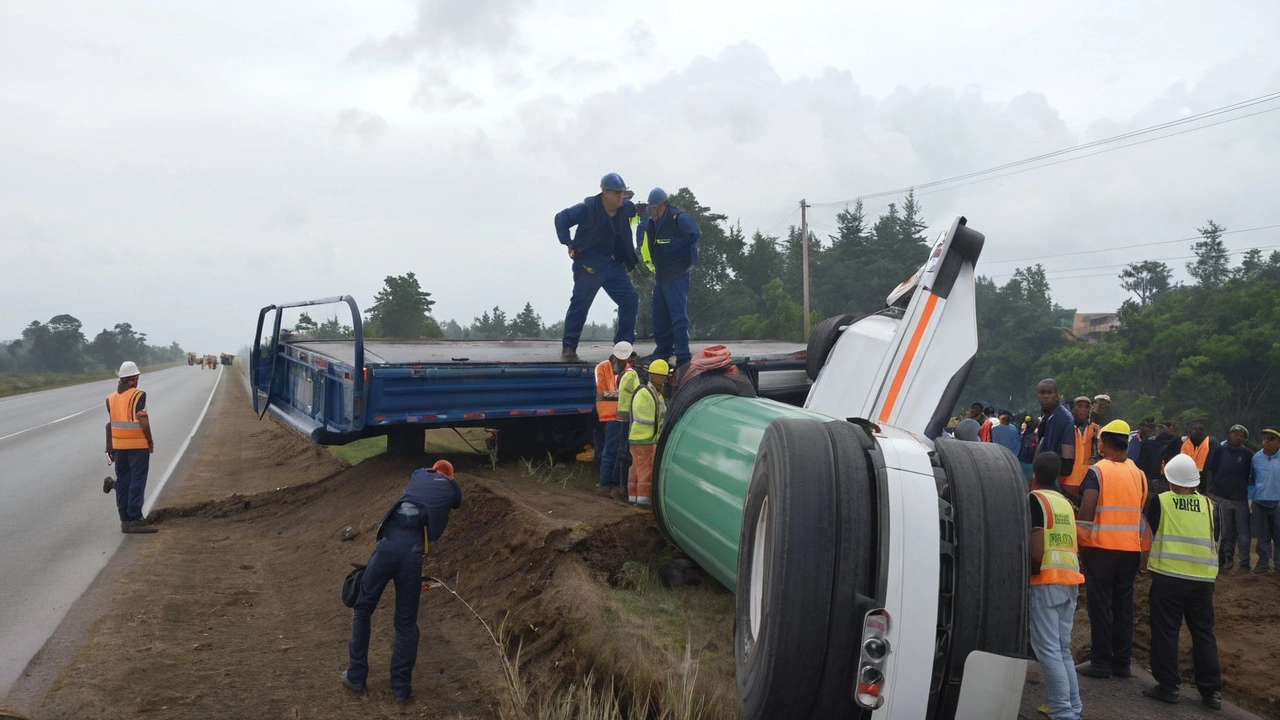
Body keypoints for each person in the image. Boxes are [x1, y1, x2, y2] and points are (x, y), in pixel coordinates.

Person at [344, 460, 462, 704]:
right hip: (412, 556)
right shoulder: (452, 487)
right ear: (450, 475)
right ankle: (400, 689)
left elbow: (417, 477)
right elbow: (457, 501)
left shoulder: (419, 473)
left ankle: (356, 676)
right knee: (406, 624)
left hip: (387, 547)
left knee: (363, 608)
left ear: (432, 469)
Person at [1142, 454, 1223, 709]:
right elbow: (1215, 537)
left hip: (1168, 577)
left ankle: (1168, 686)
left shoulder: (1160, 502)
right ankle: (1211, 693)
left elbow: (1149, 531)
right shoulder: (1212, 507)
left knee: (1166, 631)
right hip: (1202, 581)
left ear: (1170, 480)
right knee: (1203, 634)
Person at [1075, 419, 1148, 680]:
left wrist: (1080, 541)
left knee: (1100, 605)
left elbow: (1089, 504)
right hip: (1129, 550)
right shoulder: (1138, 473)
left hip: (1100, 548)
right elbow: (1140, 510)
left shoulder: (1098, 470)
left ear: (1104, 443)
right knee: (1122, 605)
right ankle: (1122, 664)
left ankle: (1101, 661)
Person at [554, 172, 639, 362]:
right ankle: (569, 347)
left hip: (612, 263)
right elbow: (560, 219)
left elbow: (635, 209)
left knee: (630, 299)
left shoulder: (625, 208)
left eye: (622, 193)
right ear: (604, 193)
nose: (620, 196)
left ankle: (623, 349)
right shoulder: (586, 208)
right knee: (581, 302)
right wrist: (568, 243)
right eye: (617, 193)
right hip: (589, 262)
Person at [1028, 452, 1085, 720]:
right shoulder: (1065, 503)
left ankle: (1063, 712)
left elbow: (1037, 540)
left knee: (1048, 649)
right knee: (1061, 647)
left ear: (1034, 475)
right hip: (1069, 578)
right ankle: (1072, 706)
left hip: (1046, 579)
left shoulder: (1035, 500)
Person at [637, 187, 700, 368]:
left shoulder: (678, 217)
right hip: (662, 275)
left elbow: (694, 234)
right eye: (650, 209)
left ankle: (682, 356)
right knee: (659, 314)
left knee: (677, 314)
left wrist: (672, 244)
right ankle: (663, 350)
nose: (652, 212)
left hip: (677, 274)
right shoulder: (652, 222)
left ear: (663, 205)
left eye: (654, 208)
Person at [105, 361, 158, 534]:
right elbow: (142, 419)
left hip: (119, 446)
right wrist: (149, 440)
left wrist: (110, 448)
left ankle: (125, 521)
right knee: (137, 480)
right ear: (134, 379)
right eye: (137, 378)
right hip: (137, 445)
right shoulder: (139, 395)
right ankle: (136, 519)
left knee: (123, 481)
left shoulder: (110, 398)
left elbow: (110, 424)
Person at [1206, 425, 1254, 572]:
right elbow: (1210, 470)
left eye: (1241, 435)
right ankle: (1226, 561)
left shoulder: (1248, 455)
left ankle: (1244, 564)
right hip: (1221, 498)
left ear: (1244, 439)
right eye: (1235, 434)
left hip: (1241, 500)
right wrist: (1209, 491)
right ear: (1229, 434)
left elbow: (1252, 477)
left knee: (1243, 533)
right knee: (1225, 532)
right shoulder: (1219, 451)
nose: (1238, 437)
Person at [628, 359, 669, 507]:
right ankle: (644, 501)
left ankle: (633, 497)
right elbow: (656, 420)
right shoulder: (651, 394)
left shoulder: (645, 392)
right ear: (662, 378)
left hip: (635, 438)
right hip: (646, 439)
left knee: (636, 469)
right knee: (646, 471)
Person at [594, 342, 633, 495]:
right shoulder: (602, 368)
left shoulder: (629, 370)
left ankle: (615, 484)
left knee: (621, 452)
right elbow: (603, 392)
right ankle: (605, 484)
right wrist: (621, 395)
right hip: (609, 415)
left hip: (622, 416)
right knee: (610, 450)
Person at [1035, 380, 1076, 496]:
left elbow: (1067, 456)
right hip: (1043, 476)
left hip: (1053, 479)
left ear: (1057, 395)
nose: (1046, 396)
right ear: (1037, 396)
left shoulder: (1063, 418)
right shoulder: (1048, 415)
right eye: (1042, 393)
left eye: (1050, 392)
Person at [1249, 428, 1280, 574]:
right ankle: (1262, 564)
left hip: (1278, 502)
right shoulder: (1256, 458)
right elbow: (1251, 480)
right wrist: (1250, 500)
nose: (1266, 441)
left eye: (1271, 438)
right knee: (1262, 536)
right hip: (1260, 502)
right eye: (1264, 438)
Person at [1059, 396, 1097, 504]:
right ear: (1072, 409)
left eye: (1086, 407)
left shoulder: (1095, 429)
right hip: (1066, 482)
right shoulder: (1066, 428)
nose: (1083, 410)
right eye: (1079, 406)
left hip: (1087, 483)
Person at [1161, 419, 1214, 488]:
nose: (1198, 431)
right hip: (1181, 482)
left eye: (1201, 429)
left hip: (1203, 483)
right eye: (1194, 429)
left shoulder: (1212, 444)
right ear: (1189, 431)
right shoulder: (1179, 444)